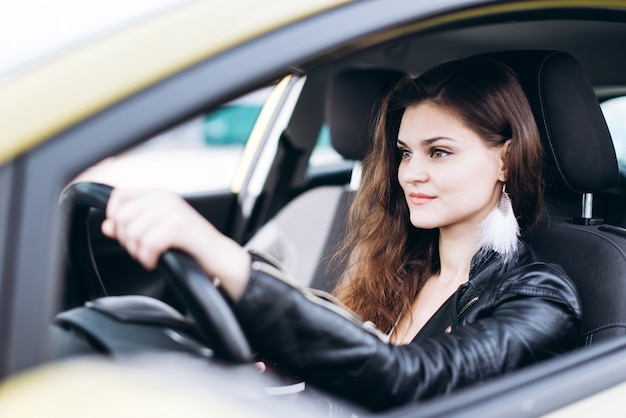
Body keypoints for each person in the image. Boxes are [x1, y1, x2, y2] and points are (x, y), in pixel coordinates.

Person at [101, 57, 582, 411]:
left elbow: (409, 381)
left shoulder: (541, 298)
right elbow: (363, 366)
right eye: (405, 152)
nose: (411, 173)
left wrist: (225, 260)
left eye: (438, 152)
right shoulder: (401, 265)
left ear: (504, 158)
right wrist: (290, 372)